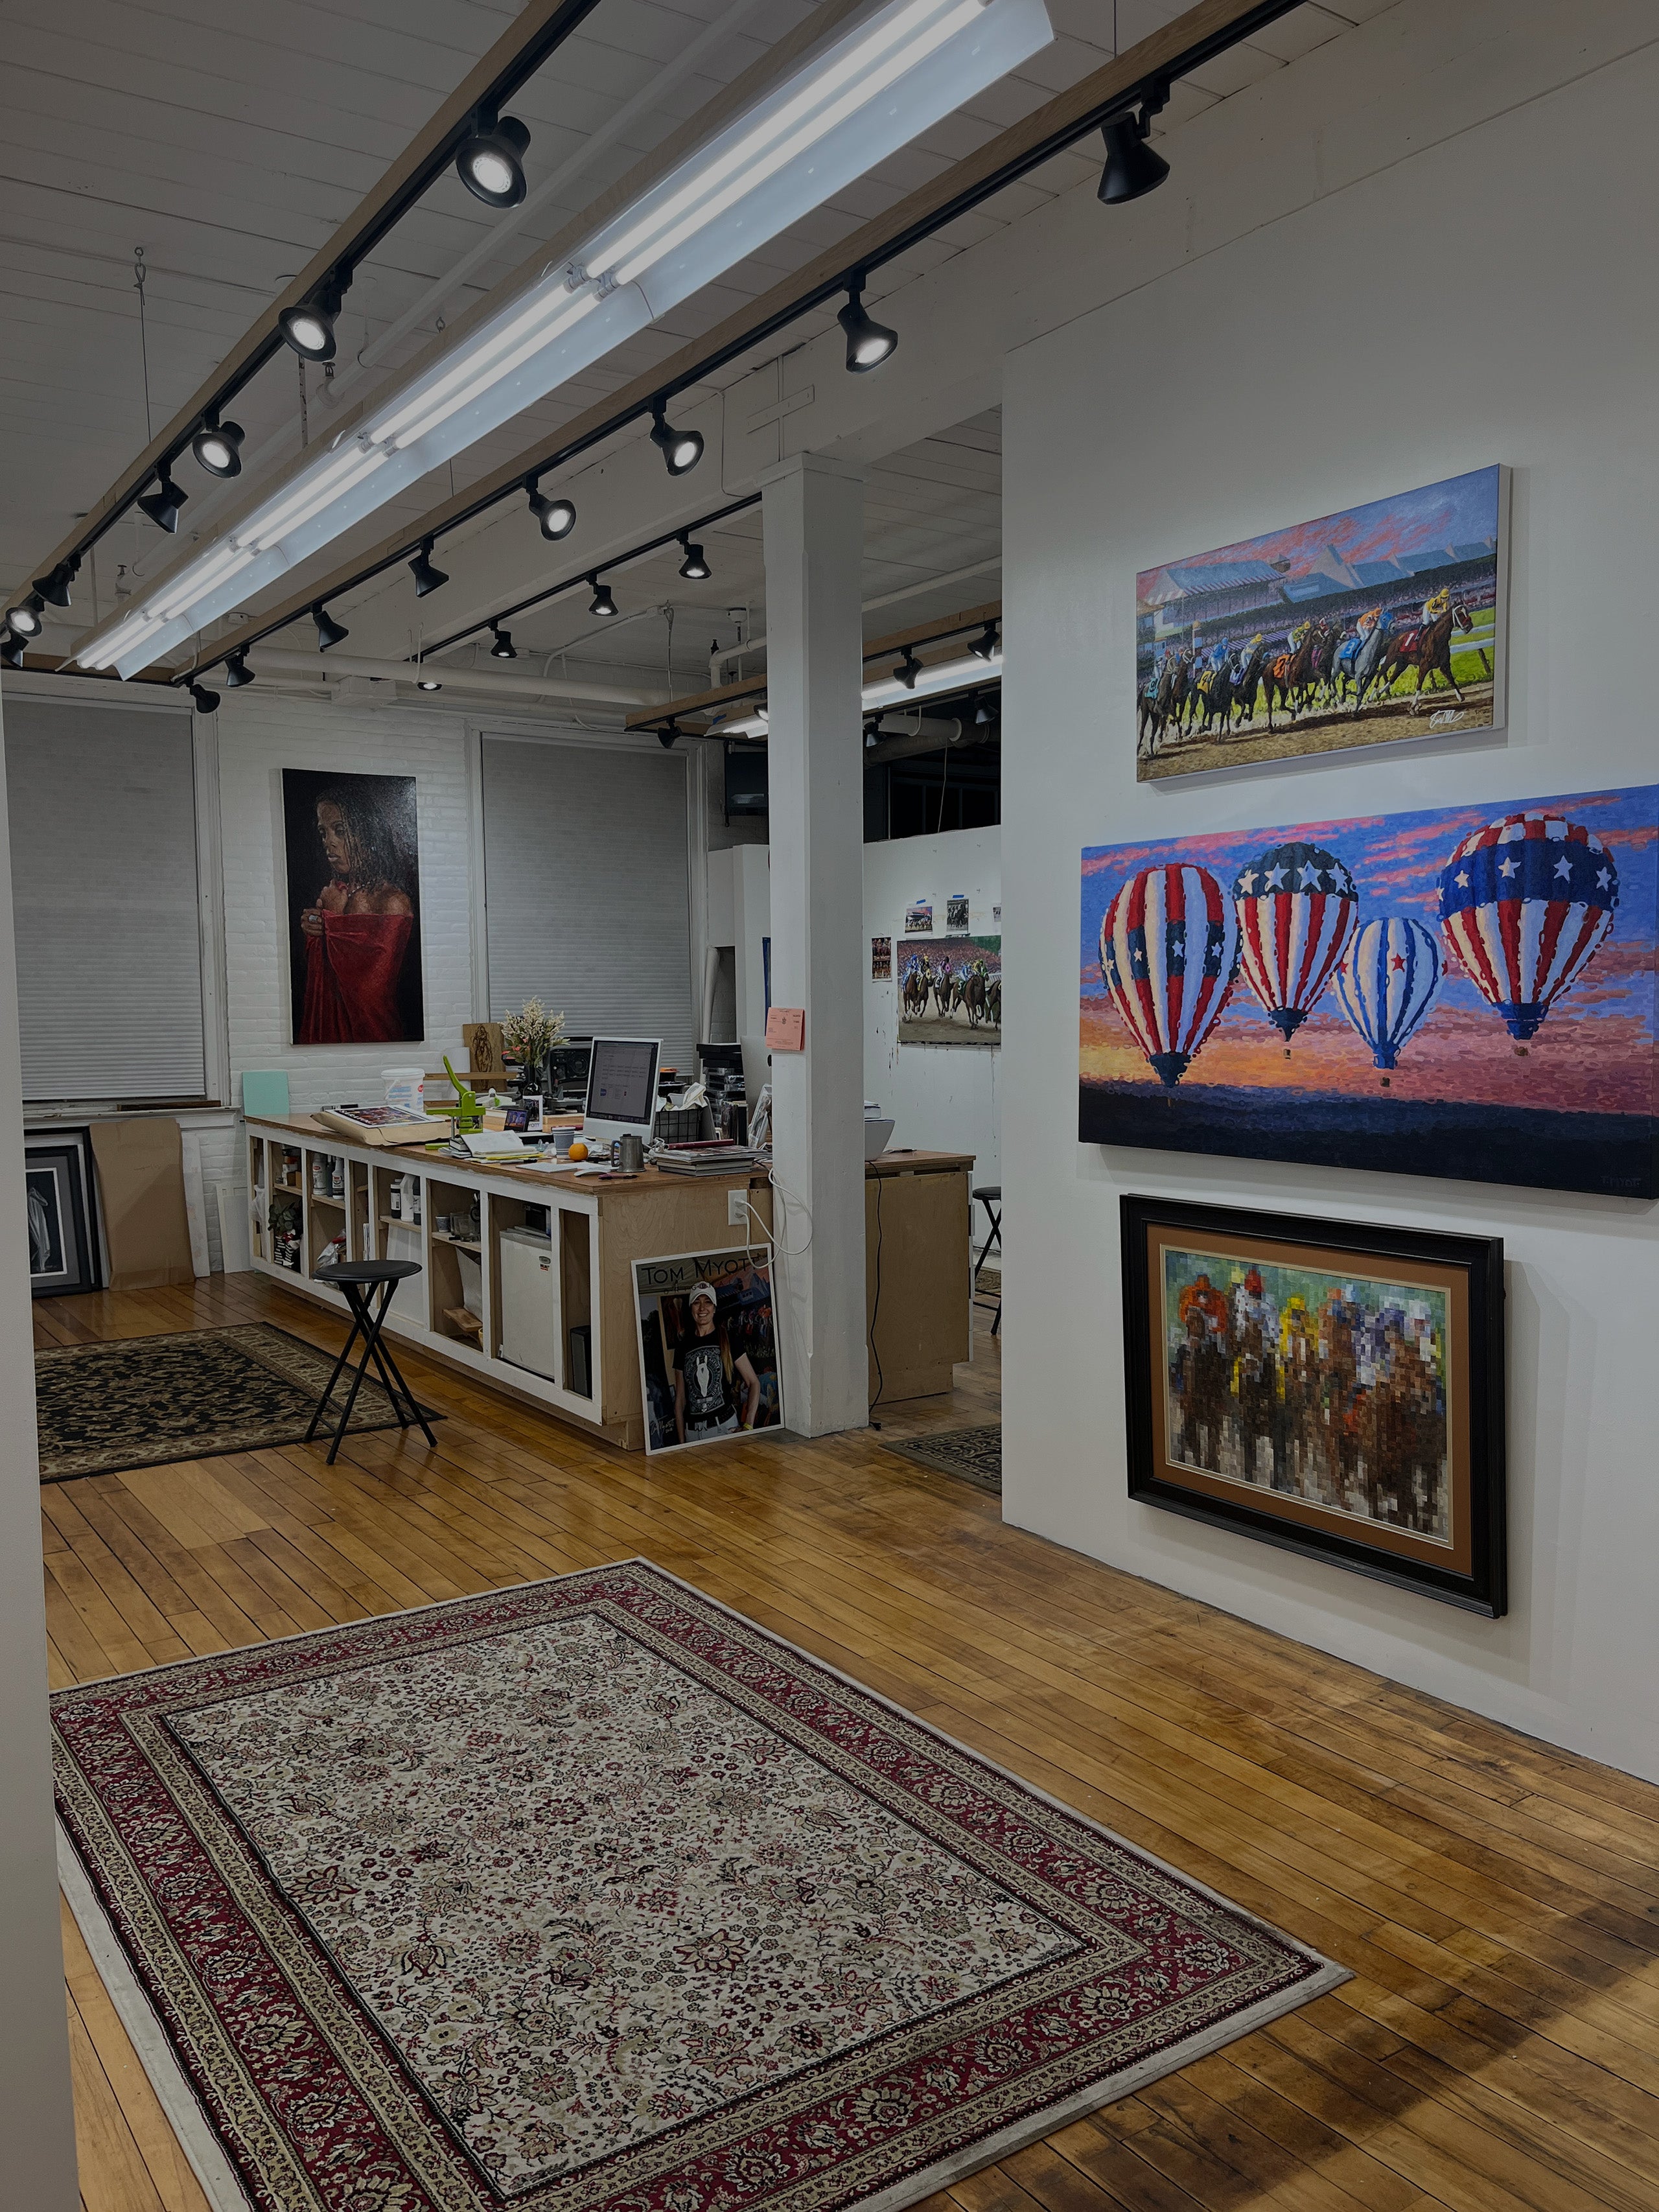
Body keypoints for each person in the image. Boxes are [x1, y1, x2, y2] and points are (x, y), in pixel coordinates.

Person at [297, 784, 416, 1043]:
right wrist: (315, 928)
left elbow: (369, 994)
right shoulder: (335, 892)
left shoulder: (392, 901)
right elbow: (318, 984)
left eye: (340, 831)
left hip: (374, 1032)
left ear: (367, 834)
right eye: (323, 832)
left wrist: (332, 919)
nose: (329, 842)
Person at [673, 1283, 761, 1444]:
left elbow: (753, 1382)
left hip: (724, 1428)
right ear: (691, 1308)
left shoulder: (729, 1339)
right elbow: (680, 1400)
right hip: (692, 1434)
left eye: (707, 1302)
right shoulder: (682, 1347)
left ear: (714, 1308)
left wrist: (748, 1425)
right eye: (697, 1302)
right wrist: (681, 1443)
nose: (702, 1308)